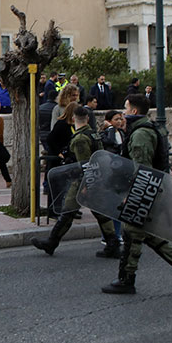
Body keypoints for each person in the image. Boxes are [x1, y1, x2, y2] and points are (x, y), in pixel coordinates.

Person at [102, 94, 172, 295]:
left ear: (134, 111)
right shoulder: (144, 129)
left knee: (131, 233)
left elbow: (143, 170)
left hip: (145, 191)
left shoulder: (141, 134)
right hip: (151, 190)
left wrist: (132, 196)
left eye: (126, 108)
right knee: (144, 233)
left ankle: (126, 279)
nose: (123, 112)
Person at [32, 106, 120, 258]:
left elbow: (84, 164)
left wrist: (86, 186)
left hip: (83, 181)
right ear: (87, 118)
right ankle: (113, 244)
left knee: (68, 210)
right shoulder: (93, 134)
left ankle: (51, 243)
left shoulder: (80, 139)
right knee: (100, 213)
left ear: (73, 119)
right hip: (95, 179)